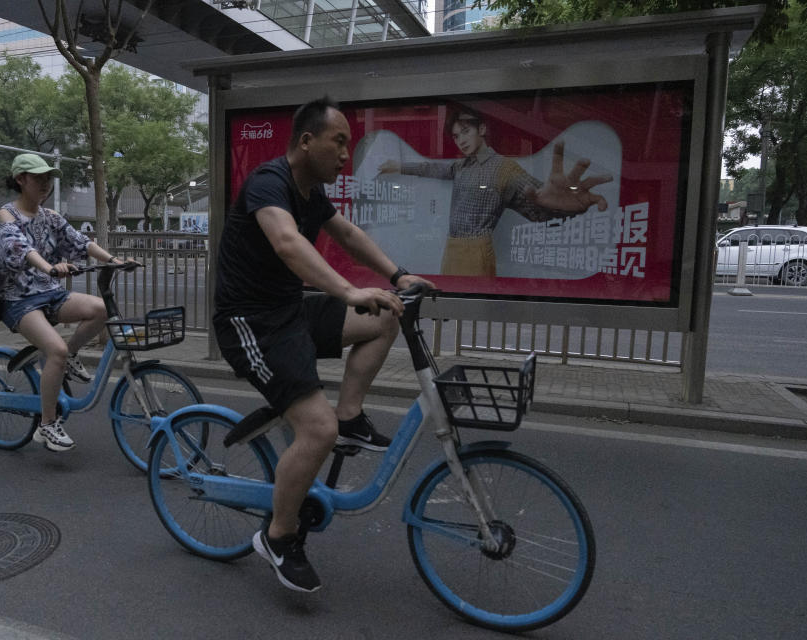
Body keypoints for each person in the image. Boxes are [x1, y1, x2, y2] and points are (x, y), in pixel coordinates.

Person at [214, 97, 434, 593]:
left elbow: (348, 234)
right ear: (306, 141)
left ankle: (351, 415)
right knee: (317, 428)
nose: (345, 156)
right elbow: (289, 243)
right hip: (249, 324)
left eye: (350, 147)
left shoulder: (312, 192)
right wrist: (349, 290)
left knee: (383, 319)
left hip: (291, 313)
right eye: (339, 143)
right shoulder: (269, 183)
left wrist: (396, 276)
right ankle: (278, 535)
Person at [0, 153, 127, 453]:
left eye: (48, 178)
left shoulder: (51, 217)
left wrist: (114, 260)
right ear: (21, 179)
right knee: (55, 350)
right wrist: (48, 267)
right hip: (17, 300)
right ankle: (47, 424)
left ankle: (70, 355)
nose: (45, 184)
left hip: (48, 291)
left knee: (100, 310)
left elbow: (80, 242)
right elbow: (19, 247)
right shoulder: (7, 215)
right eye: (39, 178)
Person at [379, 104, 612, 276]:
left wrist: (566, 206)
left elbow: (539, 206)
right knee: (451, 307)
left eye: (466, 131)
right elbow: (431, 169)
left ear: (481, 129)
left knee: (474, 312)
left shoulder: (504, 168)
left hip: (477, 251)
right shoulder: (461, 166)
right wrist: (399, 166)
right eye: (456, 135)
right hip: (452, 249)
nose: (461, 140)